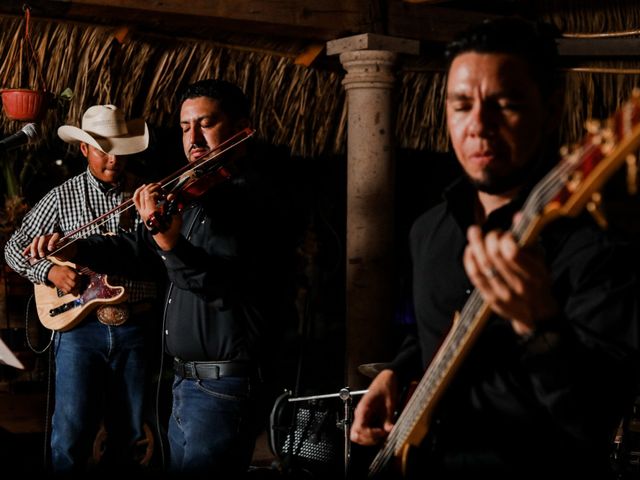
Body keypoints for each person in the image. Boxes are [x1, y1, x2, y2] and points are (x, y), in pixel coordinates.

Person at [350, 17, 640, 479]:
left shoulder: (598, 249)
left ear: (550, 110)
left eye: (504, 104)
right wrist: (397, 373)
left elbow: (595, 422)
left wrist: (539, 325)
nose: (479, 126)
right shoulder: (429, 230)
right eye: (462, 105)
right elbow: (433, 328)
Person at [27, 79, 297, 476]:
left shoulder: (255, 198)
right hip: (186, 384)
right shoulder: (193, 193)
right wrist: (76, 250)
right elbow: (135, 251)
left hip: (224, 386)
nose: (194, 137)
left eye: (206, 123)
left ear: (239, 126)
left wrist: (168, 240)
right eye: (186, 127)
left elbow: (213, 281)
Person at [4, 105, 157, 473]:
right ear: (84, 149)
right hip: (79, 332)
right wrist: (48, 272)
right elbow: (13, 249)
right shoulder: (61, 197)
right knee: (70, 435)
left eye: (119, 148)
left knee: (129, 433)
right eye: (103, 149)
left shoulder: (146, 193)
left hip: (136, 327)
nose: (113, 159)